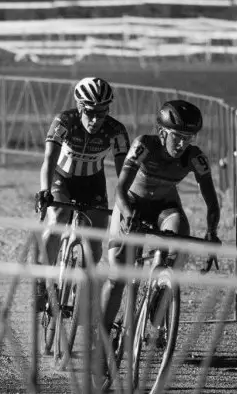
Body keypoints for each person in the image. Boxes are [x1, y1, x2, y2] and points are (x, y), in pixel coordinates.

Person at [100, 99, 222, 373]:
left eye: (188, 138)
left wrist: (212, 233)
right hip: (131, 203)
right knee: (118, 276)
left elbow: (212, 202)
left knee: (180, 236)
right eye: (178, 137)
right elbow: (120, 187)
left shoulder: (195, 157)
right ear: (163, 132)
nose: (182, 144)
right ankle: (103, 338)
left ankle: (160, 293)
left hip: (165, 208)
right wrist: (129, 215)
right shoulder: (144, 144)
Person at [34, 77, 131, 312]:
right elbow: (49, 159)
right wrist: (45, 191)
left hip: (93, 184)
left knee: (96, 244)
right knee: (57, 220)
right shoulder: (65, 121)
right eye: (90, 112)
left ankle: (82, 290)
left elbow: (123, 175)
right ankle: (42, 282)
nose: (97, 119)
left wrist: (126, 205)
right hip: (62, 179)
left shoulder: (116, 130)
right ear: (80, 107)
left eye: (102, 112)